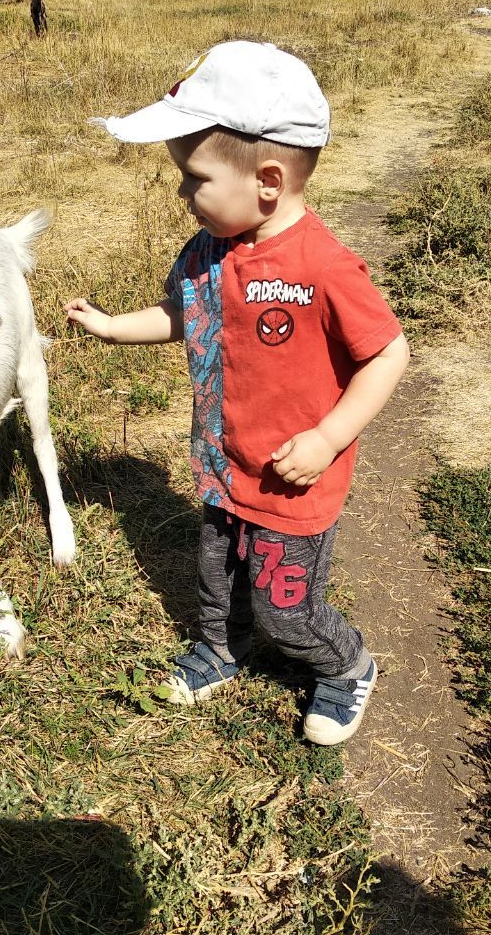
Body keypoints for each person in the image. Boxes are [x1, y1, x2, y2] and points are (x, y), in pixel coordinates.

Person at [65, 40, 410, 746]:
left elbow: (387, 353)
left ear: (269, 181)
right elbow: (183, 316)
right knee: (217, 578)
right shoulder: (209, 253)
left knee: (288, 608)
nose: (182, 194)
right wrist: (109, 327)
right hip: (226, 464)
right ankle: (221, 649)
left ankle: (346, 667)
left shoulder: (322, 264)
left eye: (193, 179)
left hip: (293, 478)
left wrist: (327, 438)